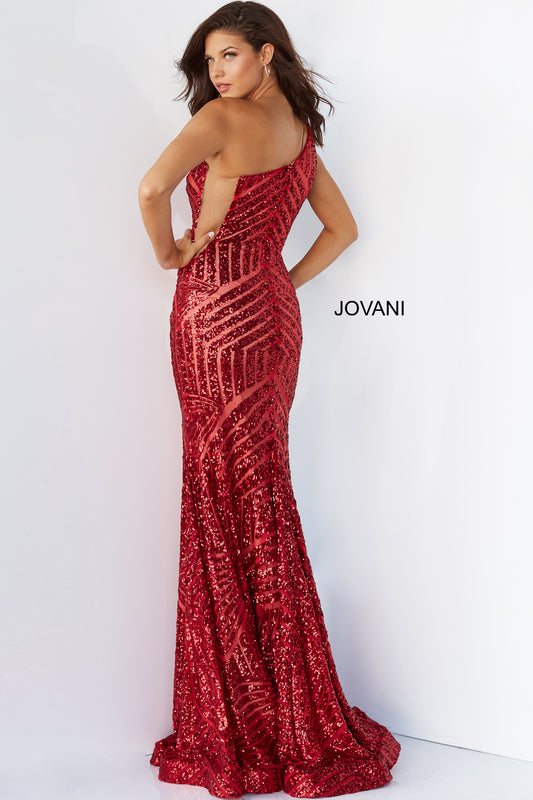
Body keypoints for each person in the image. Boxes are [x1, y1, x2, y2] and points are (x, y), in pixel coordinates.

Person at [138, 2, 401, 797]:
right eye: (208, 61)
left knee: (218, 490)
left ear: (265, 52)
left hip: (209, 315)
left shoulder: (219, 121)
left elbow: (152, 188)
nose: (215, 73)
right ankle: (288, 707)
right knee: (262, 490)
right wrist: (276, 282)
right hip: (271, 318)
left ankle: (239, 719)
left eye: (227, 55)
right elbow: (341, 230)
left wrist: (170, 253)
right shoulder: (298, 134)